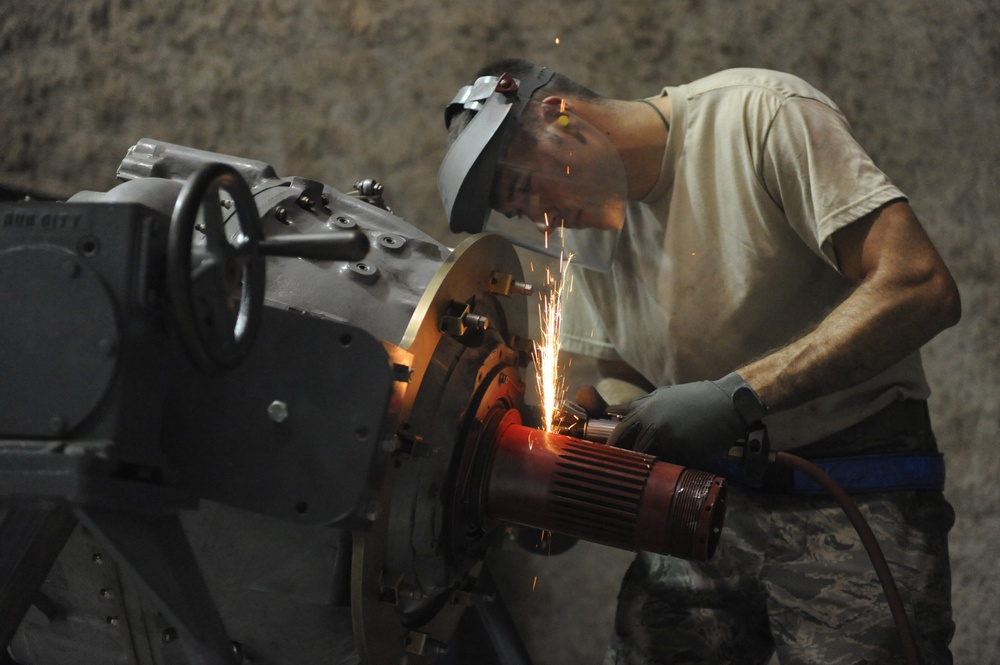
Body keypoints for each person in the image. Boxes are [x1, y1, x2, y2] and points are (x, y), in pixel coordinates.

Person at [437, 59, 960, 664]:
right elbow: (606, 378)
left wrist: (737, 396)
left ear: (562, 118)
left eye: (527, 189)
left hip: (857, 485)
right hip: (706, 499)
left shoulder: (758, 117)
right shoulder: (580, 226)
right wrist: (561, 468)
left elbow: (920, 286)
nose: (540, 219)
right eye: (521, 212)